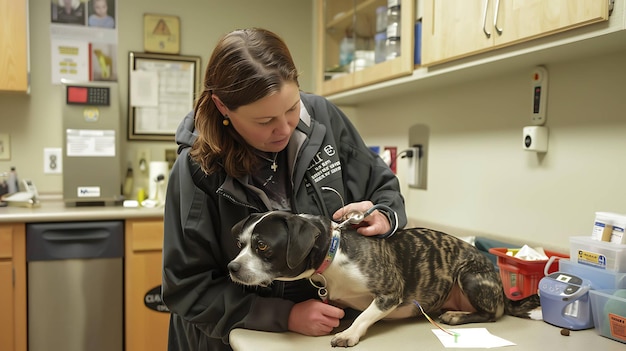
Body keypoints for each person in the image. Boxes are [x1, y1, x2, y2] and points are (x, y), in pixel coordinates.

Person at [162, 28, 407, 351]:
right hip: (236, 337)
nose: (285, 128)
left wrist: (384, 215)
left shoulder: (324, 117)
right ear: (223, 107)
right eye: (264, 121)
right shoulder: (197, 168)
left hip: (328, 328)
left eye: (292, 108)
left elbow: (381, 185)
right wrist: (284, 315)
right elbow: (187, 288)